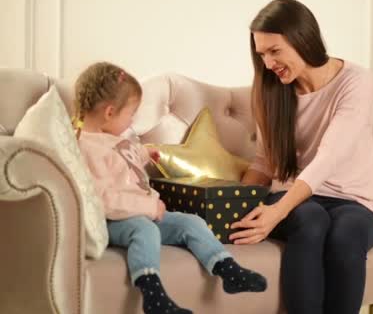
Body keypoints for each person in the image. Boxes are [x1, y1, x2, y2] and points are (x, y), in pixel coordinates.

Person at [73, 62, 267, 314]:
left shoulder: (114, 138)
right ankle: (152, 294)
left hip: (146, 214)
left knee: (191, 222)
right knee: (145, 231)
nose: (132, 120)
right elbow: (104, 199)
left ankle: (227, 270)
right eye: (130, 114)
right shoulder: (86, 147)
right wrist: (150, 206)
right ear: (110, 112)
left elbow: (123, 164)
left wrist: (145, 154)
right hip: (118, 221)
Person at [229, 0, 373, 314]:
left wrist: (277, 213)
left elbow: (330, 156)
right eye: (261, 54)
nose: (268, 63)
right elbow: (264, 162)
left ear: (302, 39)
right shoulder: (268, 90)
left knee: (346, 234)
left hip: (353, 200)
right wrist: (239, 203)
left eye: (274, 51)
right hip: (293, 197)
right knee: (311, 219)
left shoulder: (356, 81)